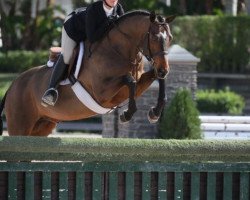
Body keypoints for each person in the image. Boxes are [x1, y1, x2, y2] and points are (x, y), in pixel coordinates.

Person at [41, 0, 124, 107]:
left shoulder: (118, 9)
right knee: (67, 55)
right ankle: (51, 90)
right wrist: (108, 22)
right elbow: (92, 37)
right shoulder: (93, 10)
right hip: (73, 30)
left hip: (92, 33)